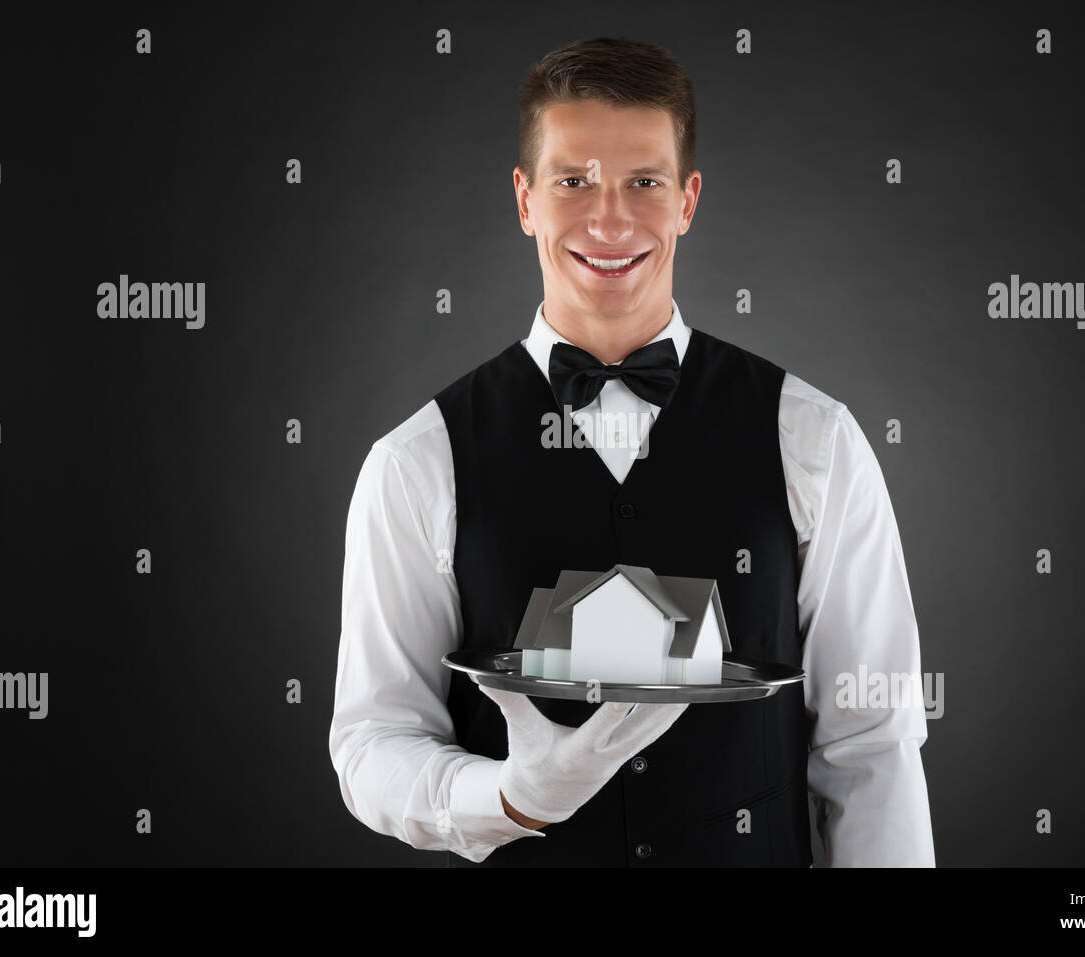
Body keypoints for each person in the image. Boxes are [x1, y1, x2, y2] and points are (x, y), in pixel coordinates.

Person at [328, 36, 935, 867]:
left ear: (687, 200)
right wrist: (510, 796)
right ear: (524, 201)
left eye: (643, 182)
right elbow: (373, 740)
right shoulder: (416, 460)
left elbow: (873, 747)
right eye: (573, 180)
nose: (609, 219)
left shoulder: (815, 436)